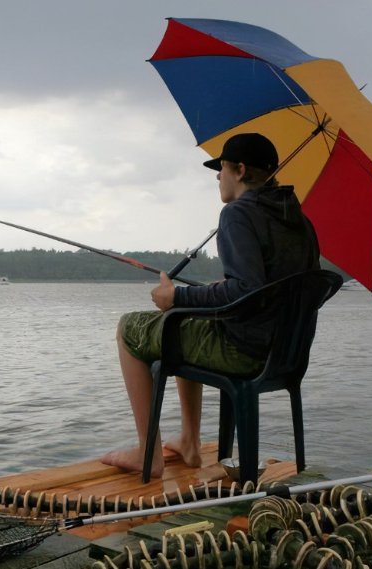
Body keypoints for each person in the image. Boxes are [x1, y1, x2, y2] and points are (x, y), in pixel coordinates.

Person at [101, 133, 320, 479]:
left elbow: (248, 287)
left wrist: (177, 297)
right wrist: (213, 291)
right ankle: (189, 440)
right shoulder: (300, 222)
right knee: (186, 321)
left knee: (129, 328)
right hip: (286, 354)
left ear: (240, 169)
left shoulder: (237, 214)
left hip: (244, 351)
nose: (218, 176)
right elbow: (265, 286)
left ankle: (148, 453)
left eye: (221, 168)